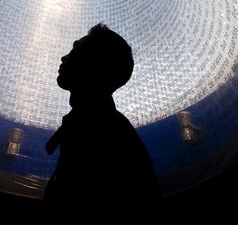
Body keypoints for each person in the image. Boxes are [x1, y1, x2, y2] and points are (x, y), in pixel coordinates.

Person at [44, 23, 161, 209]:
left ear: (94, 61)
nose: (63, 57)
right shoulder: (109, 127)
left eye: (75, 48)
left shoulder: (104, 133)